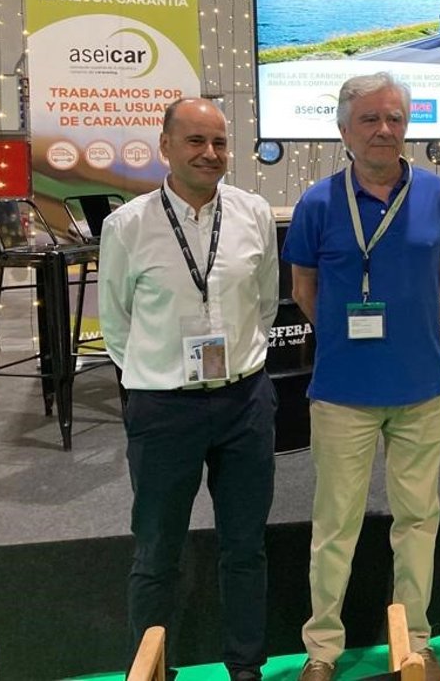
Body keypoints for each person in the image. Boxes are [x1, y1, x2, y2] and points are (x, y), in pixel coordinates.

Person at [284, 72, 440, 681]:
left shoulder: (437, 195)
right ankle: (322, 650)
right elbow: (304, 288)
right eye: (370, 119)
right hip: (343, 392)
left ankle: (414, 642)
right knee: (335, 525)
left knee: (418, 522)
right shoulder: (317, 203)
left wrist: (405, 331)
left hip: (420, 389)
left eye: (394, 118)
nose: (384, 129)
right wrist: (348, 337)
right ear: (344, 131)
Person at [99, 97, 280, 681]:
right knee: (156, 551)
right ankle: (153, 669)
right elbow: (116, 324)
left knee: (245, 547)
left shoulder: (253, 213)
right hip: (163, 409)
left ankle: (245, 667)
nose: (210, 153)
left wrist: (239, 364)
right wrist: (158, 375)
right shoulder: (127, 226)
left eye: (219, 142)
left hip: (244, 401)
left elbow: (265, 304)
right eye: (196, 141)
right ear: (166, 146)